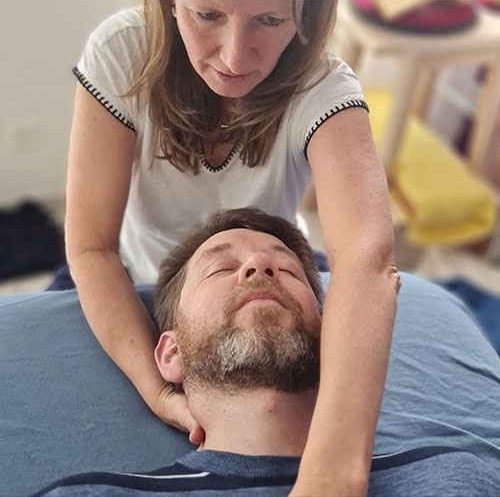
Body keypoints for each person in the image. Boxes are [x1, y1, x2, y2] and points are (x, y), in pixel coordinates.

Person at [58, 0, 400, 493]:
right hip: (137, 270)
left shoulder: (325, 87)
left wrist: (332, 476)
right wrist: (157, 392)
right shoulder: (122, 52)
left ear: (306, 15)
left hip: (276, 259)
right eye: (208, 15)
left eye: (269, 20)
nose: (235, 57)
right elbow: (91, 249)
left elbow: (368, 262)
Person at [32, 208, 500, 497]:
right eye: (221, 269)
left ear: (337, 335)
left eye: (287, 270)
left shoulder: (451, 477)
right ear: (170, 353)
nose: (259, 265)